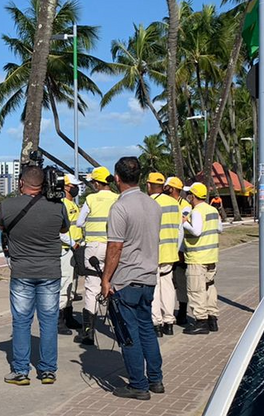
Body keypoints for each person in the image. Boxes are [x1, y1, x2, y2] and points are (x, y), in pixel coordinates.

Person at [0, 166, 69, 386]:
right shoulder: (58, 206)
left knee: (21, 321)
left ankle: (20, 371)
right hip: (50, 270)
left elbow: (2, 226)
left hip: (22, 271)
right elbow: (64, 230)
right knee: (48, 321)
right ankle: (47, 371)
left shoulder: (8, 206)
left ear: (21, 183)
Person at [100, 157, 164, 400]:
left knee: (129, 334)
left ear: (117, 178)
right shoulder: (153, 205)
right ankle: (156, 379)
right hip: (148, 277)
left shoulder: (120, 208)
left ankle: (138, 384)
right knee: (146, 329)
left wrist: (106, 280)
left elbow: (115, 247)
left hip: (126, 279)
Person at [74, 166, 119, 345]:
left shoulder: (91, 199)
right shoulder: (117, 198)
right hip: (112, 246)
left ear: (97, 183)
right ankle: (118, 327)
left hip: (93, 246)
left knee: (92, 287)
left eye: (93, 181)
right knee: (112, 283)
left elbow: (79, 222)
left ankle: (88, 333)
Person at [182, 182, 223, 335]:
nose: (186, 197)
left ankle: (201, 321)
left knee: (195, 289)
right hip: (211, 256)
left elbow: (197, 231)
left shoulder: (197, 211)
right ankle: (212, 318)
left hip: (197, 257)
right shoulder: (213, 210)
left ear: (193, 196)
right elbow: (220, 228)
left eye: (188, 194)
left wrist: (185, 224)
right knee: (209, 286)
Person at [146, 172, 179, 337]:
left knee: (155, 287)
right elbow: (179, 230)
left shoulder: (149, 203)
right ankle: (169, 321)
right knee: (168, 286)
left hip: (154, 252)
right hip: (170, 252)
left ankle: (156, 323)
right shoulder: (174, 203)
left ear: (149, 185)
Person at [57, 174, 84, 335]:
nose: (76, 188)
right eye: (74, 185)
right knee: (64, 283)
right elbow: (60, 230)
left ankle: (68, 315)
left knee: (72, 285)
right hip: (66, 249)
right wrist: (72, 242)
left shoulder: (74, 204)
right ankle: (58, 320)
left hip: (75, 248)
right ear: (66, 186)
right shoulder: (63, 205)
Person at [164, 176, 191, 326]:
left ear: (172, 188)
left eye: (166, 186)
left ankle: (182, 311)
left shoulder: (185, 205)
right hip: (166, 249)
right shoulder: (164, 202)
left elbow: (181, 222)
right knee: (167, 283)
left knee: (180, 281)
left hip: (180, 249)